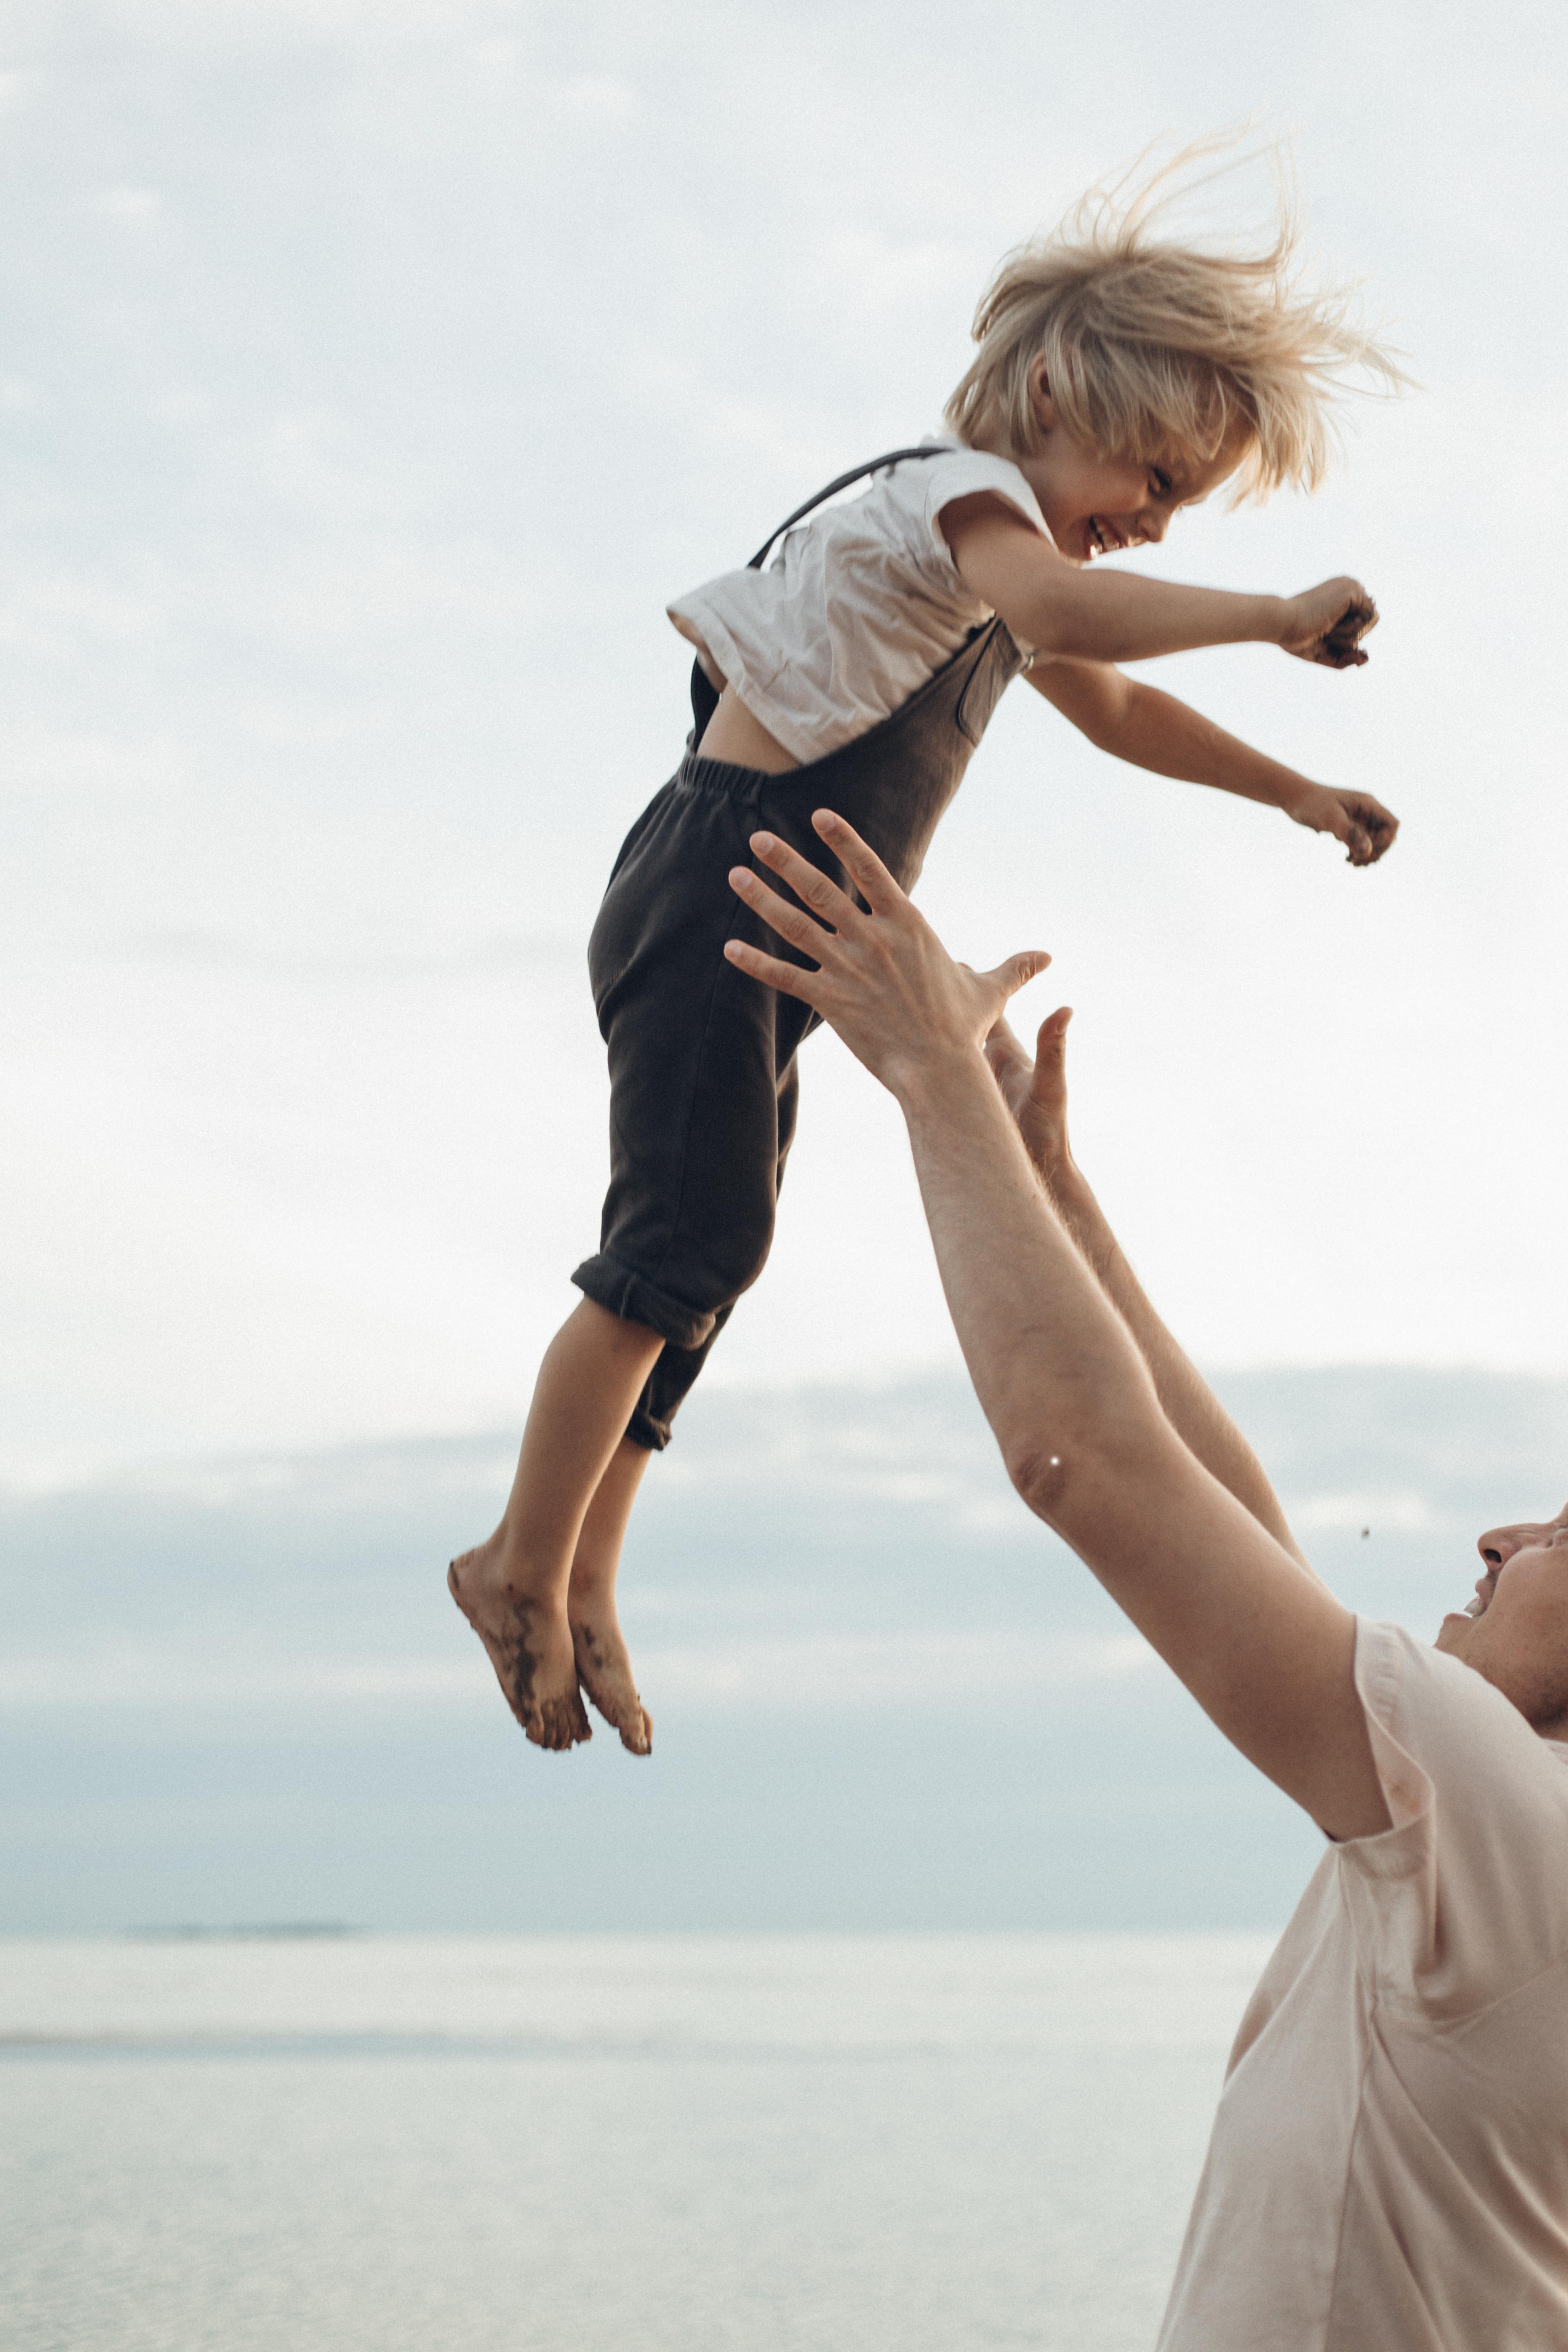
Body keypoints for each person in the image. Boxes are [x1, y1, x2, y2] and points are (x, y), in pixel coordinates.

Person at [449, 148, 1403, 1755]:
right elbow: (1070, 613)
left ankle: (591, 1566)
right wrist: (1265, 611)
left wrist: (1295, 789)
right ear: (1045, 385)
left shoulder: (1000, 577)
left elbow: (1115, 707)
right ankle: (516, 1558)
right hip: (718, 888)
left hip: (771, 920)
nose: (1150, 524)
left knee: (715, 1256)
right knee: (675, 1244)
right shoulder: (962, 504)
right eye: (1152, 478)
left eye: (1180, 509)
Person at [725, 809, 1568, 2350]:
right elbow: (1240, 1545)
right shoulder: (1492, 1826)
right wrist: (1048, 1194)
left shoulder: (1513, 1826)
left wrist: (925, 1076)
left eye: (1560, 1538)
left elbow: (1084, 1463)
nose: (1501, 1538)